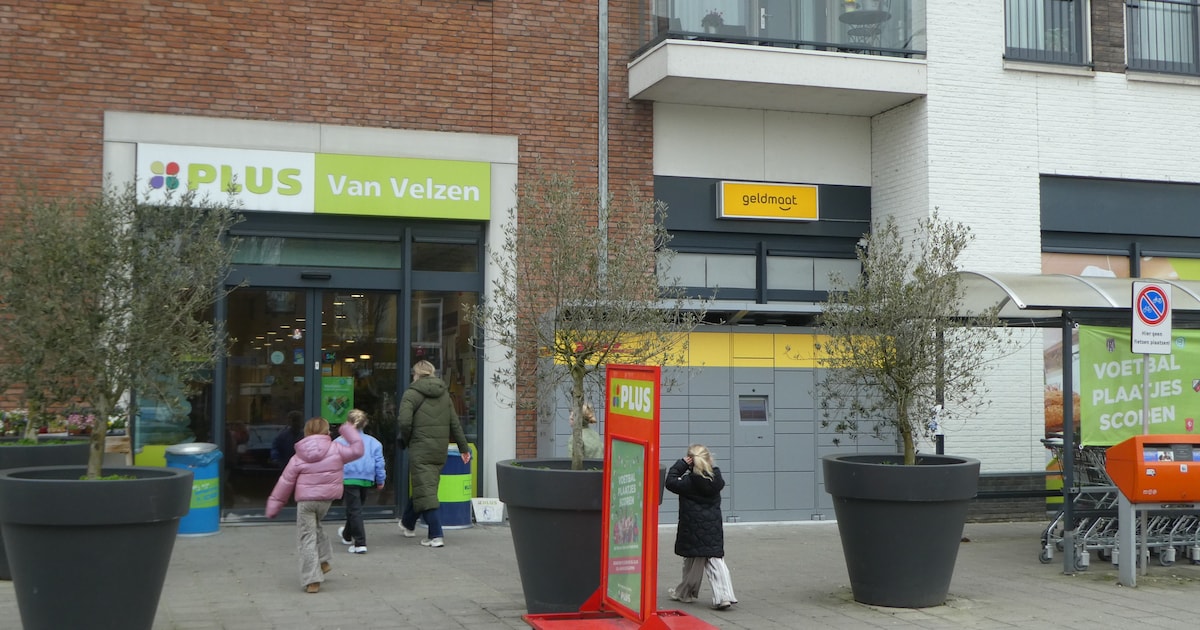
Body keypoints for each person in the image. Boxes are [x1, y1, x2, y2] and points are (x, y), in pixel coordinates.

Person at [266, 417, 363, 593]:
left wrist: (274, 505)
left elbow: (285, 482)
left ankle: (312, 580)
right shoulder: (337, 449)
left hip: (306, 502)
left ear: (307, 432)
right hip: (326, 501)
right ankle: (324, 561)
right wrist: (347, 429)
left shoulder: (298, 455)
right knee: (315, 527)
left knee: (306, 538)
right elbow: (357, 450)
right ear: (327, 431)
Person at [398, 360, 470, 549]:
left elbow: (404, 422)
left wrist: (405, 439)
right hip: (439, 450)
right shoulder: (444, 394)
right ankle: (408, 523)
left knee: (426, 492)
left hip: (420, 449)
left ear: (416, 374)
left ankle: (436, 535)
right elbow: (455, 423)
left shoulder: (411, 394)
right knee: (425, 487)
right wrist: (464, 449)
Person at [665, 443, 737, 610]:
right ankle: (698, 593)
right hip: (712, 527)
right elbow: (714, 473)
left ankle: (695, 594)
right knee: (712, 559)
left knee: (694, 560)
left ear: (691, 461)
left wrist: (681, 464)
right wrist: (712, 465)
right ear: (708, 459)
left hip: (692, 527)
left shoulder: (688, 482)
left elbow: (670, 481)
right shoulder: (715, 479)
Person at [335, 409, 386, 554]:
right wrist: (380, 480)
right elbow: (379, 463)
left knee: (354, 509)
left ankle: (360, 543)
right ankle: (346, 534)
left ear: (347, 423)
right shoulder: (374, 443)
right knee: (355, 508)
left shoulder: (339, 441)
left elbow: (332, 462)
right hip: (366, 479)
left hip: (348, 478)